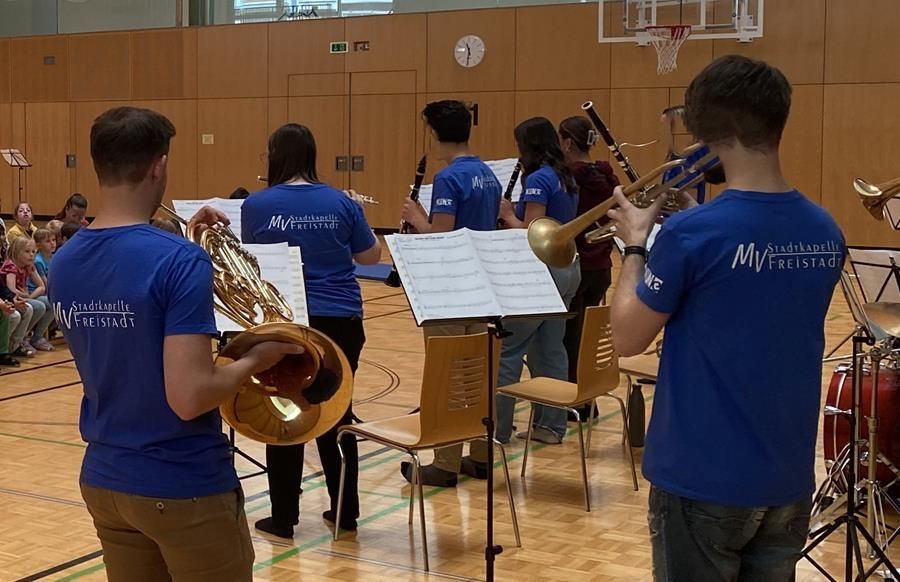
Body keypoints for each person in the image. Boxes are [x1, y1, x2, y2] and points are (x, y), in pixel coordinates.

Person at [607, 55, 845, 581]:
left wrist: (636, 245)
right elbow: (753, 293)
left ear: (704, 132)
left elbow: (626, 337)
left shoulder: (692, 235)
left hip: (702, 477)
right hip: (786, 477)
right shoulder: (825, 230)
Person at [49, 106, 300, 582]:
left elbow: (127, 289)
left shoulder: (65, 260)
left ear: (99, 164)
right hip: (182, 483)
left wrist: (185, 239)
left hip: (106, 479)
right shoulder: (179, 261)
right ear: (159, 166)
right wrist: (257, 358)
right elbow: (189, 396)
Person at [241, 123, 381, 539]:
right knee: (337, 412)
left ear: (275, 156)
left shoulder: (257, 204)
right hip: (341, 318)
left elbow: (253, 260)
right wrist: (355, 216)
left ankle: (283, 516)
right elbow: (370, 257)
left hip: (290, 320)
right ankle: (346, 511)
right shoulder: (341, 201)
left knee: (284, 409)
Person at [397, 99, 502, 487]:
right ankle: (481, 455)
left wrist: (415, 218)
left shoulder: (448, 177)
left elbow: (442, 236)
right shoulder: (488, 174)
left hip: (451, 288)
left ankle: (445, 463)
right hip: (482, 286)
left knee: (448, 375)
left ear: (436, 132)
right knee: (477, 375)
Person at [497, 117, 581, 445]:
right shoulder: (564, 175)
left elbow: (532, 231)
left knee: (508, 350)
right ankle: (550, 427)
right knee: (550, 350)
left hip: (543, 271)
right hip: (568, 266)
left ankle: (498, 431)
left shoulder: (538, 179)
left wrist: (507, 215)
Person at [558, 116, 620, 421]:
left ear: (568, 143)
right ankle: (587, 401)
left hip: (577, 264)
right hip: (602, 265)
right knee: (587, 336)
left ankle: (574, 402)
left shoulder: (570, 178)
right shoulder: (606, 175)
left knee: (569, 338)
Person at [2, 237, 54, 352]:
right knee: (37, 307)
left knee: (51, 302)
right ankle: (17, 341)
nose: (31, 255)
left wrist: (29, 296)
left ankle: (36, 337)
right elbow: (11, 290)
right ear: (16, 252)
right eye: (27, 251)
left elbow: (42, 287)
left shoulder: (29, 266)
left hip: (24, 296)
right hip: (11, 298)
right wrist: (25, 296)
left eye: (33, 252)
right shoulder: (11, 266)